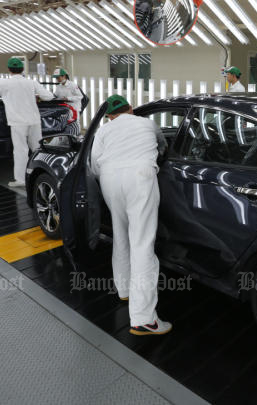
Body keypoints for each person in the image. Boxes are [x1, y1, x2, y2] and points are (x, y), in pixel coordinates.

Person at [90, 95, 171, 336]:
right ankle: (145, 319)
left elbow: (94, 165)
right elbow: (163, 147)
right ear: (131, 109)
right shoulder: (147, 124)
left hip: (109, 179)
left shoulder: (104, 131)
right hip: (140, 177)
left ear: (110, 116)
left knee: (121, 234)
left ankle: (124, 289)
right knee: (143, 244)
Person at [0, 57, 55, 188]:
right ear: (22, 69)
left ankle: (21, 179)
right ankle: (42, 173)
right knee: (38, 148)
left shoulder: (4, 84)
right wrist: (37, 97)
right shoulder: (31, 83)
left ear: (9, 70)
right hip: (34, 120)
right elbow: (49, 96)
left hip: (17, 122)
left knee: (20, 150)